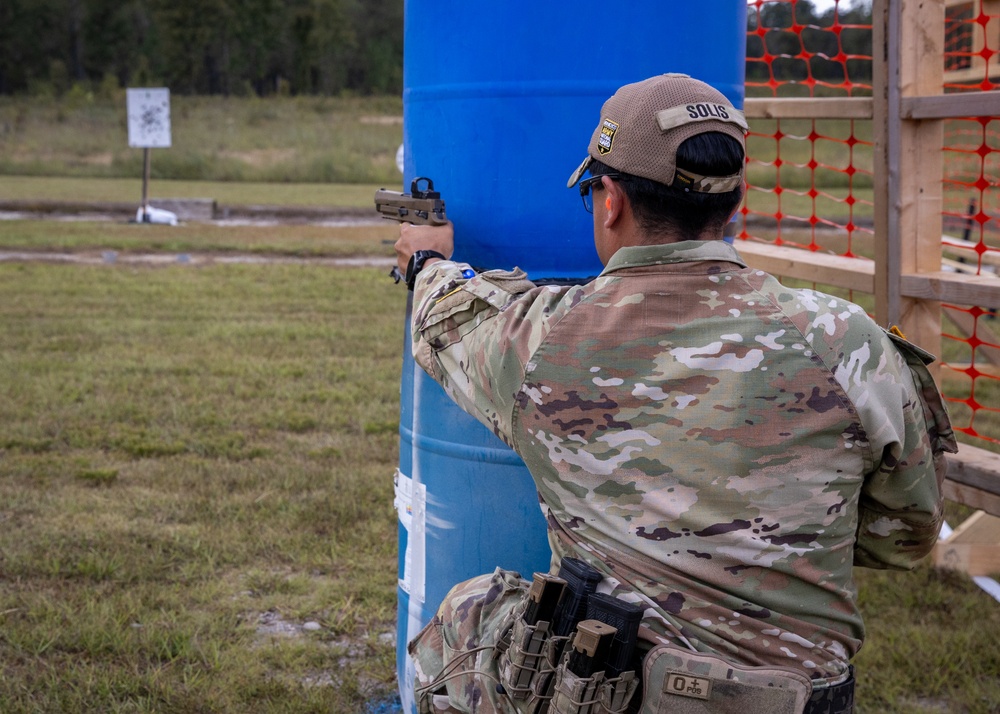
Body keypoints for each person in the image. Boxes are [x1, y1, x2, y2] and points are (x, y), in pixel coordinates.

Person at [394, 74, 956, 714]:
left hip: (621, 693)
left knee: (470, 614)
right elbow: (906, 536)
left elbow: (446, 318)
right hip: (807, 700)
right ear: (734, 203)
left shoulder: (544, 340)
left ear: (609, 201)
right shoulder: (848, 342)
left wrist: (428, 260)